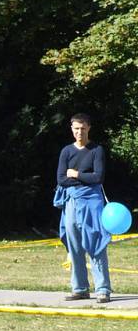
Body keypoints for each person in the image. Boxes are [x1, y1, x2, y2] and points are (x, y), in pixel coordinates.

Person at [53, 113, 112, 303]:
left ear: (89, 128)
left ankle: (103, 289)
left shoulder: (97, 150)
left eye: (83, 128)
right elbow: (61, 179)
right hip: (71, 202)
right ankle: (80, 289)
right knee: (75, 246)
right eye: (76, 128)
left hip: (92, 202)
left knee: (96, 243)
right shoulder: (66, 151)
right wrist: (83, 177)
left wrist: (76, 174)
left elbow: (98, 178)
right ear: (72, 129)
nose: (79, 132)